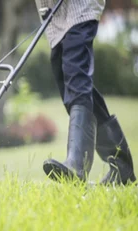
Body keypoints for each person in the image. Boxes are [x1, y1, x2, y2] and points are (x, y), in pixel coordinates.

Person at [34, 0, 136, 185]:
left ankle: (77, 165)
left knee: (76, 78)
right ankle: (122, 168)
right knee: (68, 83)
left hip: (80, 7)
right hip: (54, 12)